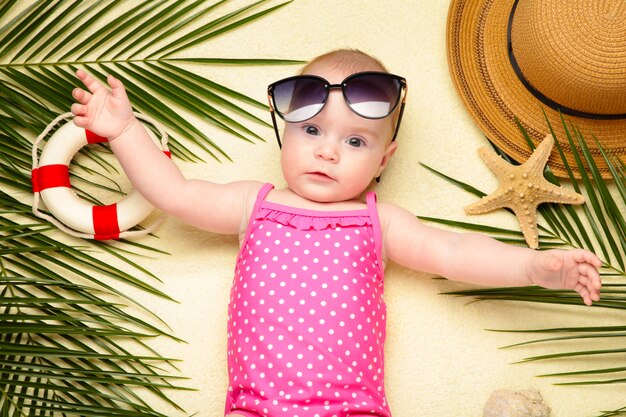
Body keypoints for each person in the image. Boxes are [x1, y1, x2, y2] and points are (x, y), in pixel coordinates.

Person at [70, 49, 602, 417]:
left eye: (355, 142)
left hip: (353, 407)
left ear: (383, 160)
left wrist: (533, 266)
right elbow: (175, 193)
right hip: (254, 405)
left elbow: (454, 251)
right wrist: (123, 130)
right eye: (312, 130)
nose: (327, 150)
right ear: (284, 133)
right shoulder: (254, 204)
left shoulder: (378, 221)